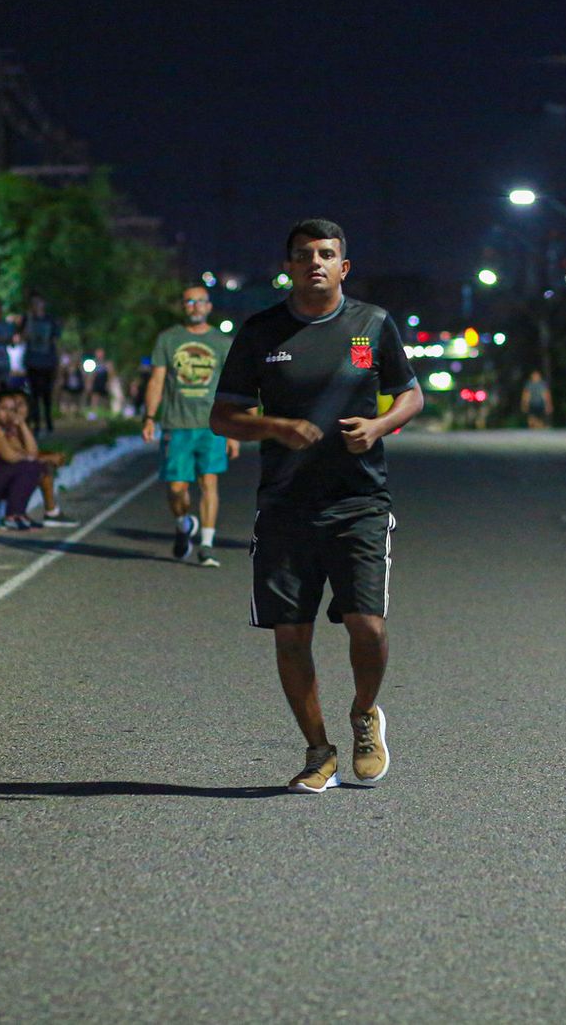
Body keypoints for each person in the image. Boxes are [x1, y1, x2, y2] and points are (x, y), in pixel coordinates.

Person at [210, 219, 423, 793]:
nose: (315, 263)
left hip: (358, 500)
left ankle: (364, 715)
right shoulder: (260, 332)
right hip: (285, 507)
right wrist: (275, 425)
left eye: (326, 254)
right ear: (290, 266)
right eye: (304, 255)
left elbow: (411, 393)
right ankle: (318, 750)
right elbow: (222, 416)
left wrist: (378, 426)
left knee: (368, 626)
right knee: (290, 635)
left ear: (343, 266)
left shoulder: (371, 325)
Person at [142, 284, 239, 567]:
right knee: (176, 489)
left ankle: (206, 545)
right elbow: (157, 380)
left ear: (209, 307)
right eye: (189, 302)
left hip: (212, 426)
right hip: (176, 425)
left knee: (209, 482)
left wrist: (233, 430)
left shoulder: (222, 343)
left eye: (200, 301)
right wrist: (149, 417)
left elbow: (231, 388)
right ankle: (184, 524)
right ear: (183, 307)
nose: (195, 306)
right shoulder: (168, 339)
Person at [0, 387, 76, 530]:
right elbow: (11, 457)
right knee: (32, 466)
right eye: (3, 408)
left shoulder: (7, 429)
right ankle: (14, 515)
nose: (8, 414)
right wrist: (37, 459)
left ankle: (35, 513)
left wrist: (21, 423)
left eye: (12, 409)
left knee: (35, 466)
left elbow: (31, 452)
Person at [22, 294, 62, 433]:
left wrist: (57, 361)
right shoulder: (28, 319)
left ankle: (49, 421)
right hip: (32, 362)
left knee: (47, 393)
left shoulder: (50, 320)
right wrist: (29, 320)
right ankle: (36, 422)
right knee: (34, 394)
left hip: (48, 362)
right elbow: (23, 336)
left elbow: (55, 341)